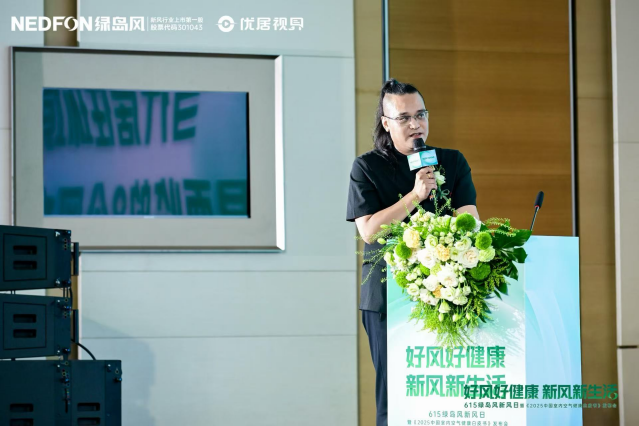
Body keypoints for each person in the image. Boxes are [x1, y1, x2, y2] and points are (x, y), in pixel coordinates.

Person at [346, 79, 479, 426]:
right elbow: (369, 231)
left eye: (420, 115)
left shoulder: (451, 161)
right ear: (386, 123)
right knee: (396, 400)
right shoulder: (366, 167)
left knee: (444, 399)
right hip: (388, 298)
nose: (415, 124)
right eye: (404, 118)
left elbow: (470, 224)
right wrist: (416, 196)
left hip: (447, 295)